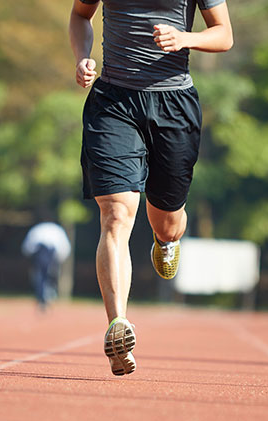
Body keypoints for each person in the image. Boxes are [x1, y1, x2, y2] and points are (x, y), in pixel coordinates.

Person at [69, 0, 233, 375]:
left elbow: (224, 35)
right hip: (113, 102)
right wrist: (82, 58)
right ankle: (118, 325)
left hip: (173, 103)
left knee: (167, 219)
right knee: (115, 214)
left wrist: (185, 38)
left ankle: (166, 241)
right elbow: (80, 15)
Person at [21, 222, 71, 311]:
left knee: (40, 277)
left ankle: (43, 298)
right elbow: (64, 247)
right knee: (48, 277)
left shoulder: (37, 228)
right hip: (50, 253)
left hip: (41, 252)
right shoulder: (57, 229)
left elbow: (28, 246)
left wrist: (30, 255)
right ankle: (46, 297)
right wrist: (59, 259)